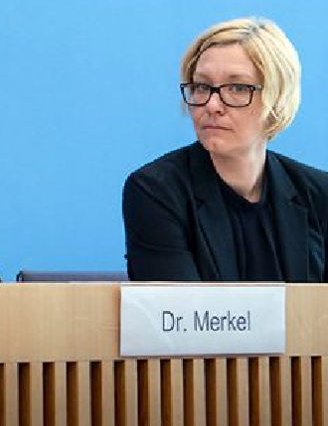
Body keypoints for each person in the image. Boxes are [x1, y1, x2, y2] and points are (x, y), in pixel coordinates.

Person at [123, 17, 328, 282]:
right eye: (201, 87)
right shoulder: (157, 191)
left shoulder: (319, 195)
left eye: (237, 88)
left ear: (277, 98)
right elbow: (181, 318)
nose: (212, 105)